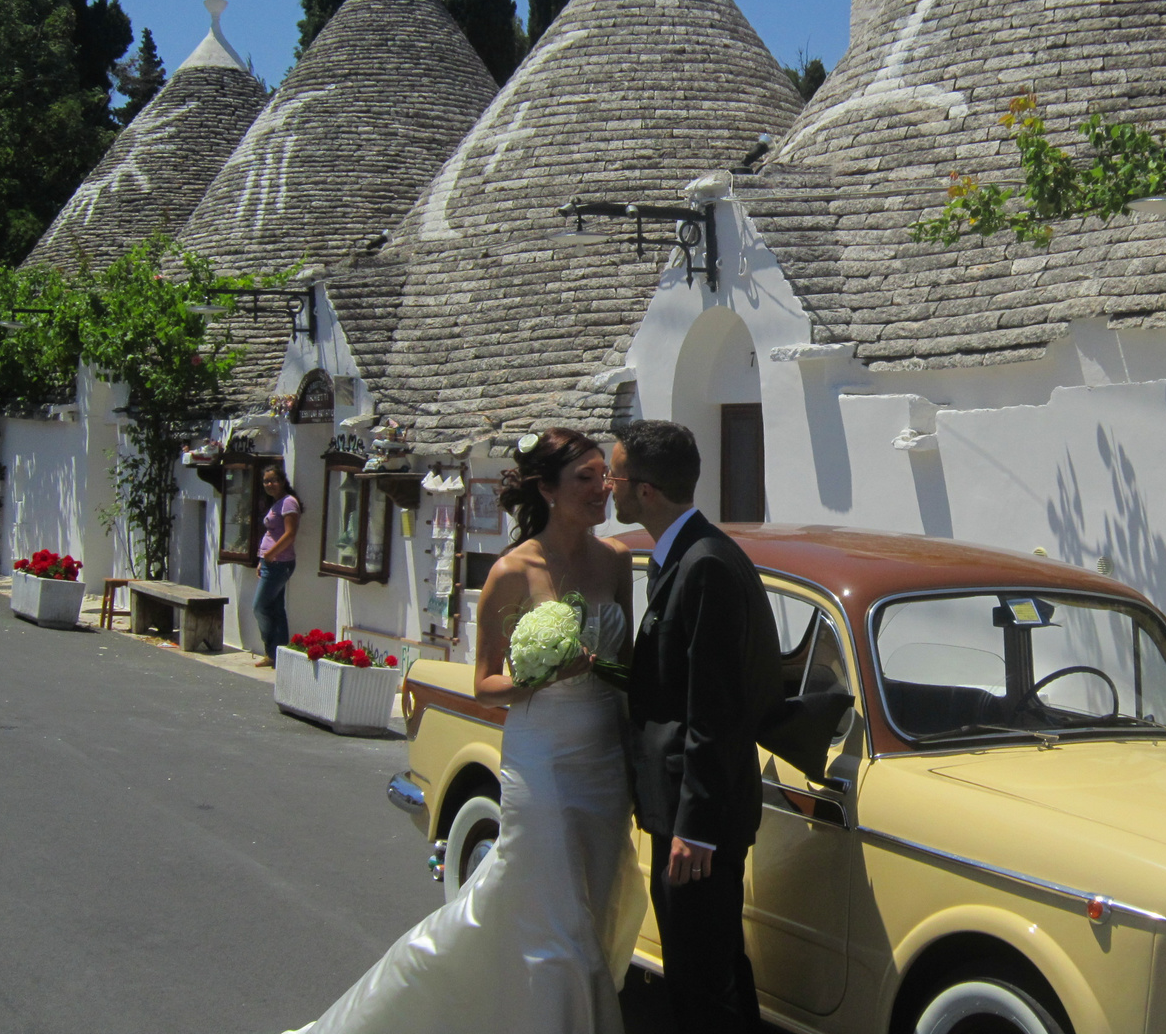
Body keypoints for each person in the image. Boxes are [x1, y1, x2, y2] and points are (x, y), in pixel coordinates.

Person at [281, 428, 644, 1034]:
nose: (602, 488)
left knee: (593, 905)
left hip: (603, 758)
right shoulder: (511, 572)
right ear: (549, 490)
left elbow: (626, 664)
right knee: (560, 923)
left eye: (604, 474)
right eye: (586, 477)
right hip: (543, 761)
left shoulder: (615, 562)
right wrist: (546, 674)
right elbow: (485, 684)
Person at [609, 420, 780, 1034]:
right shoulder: (684, 555)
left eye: (615, 475)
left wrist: (697, 829)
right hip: (682, 809)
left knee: (699, 979)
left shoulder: (704, 564)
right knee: (711, 968)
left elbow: (717, 709)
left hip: (698, 819)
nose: (609, 486)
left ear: (646, 491)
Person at [252, 464, 302, 668]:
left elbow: (290, 534)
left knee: (260, 607)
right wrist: (262, 559)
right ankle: (277, 654)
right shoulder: (276, 503)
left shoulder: (289, 503)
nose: (269, 484)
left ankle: (271, 648)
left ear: (282, 482)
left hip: (279, 562)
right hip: (270, 562)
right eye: (266, 481)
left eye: (273, 480)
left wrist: (270, 555)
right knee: (276, 608)